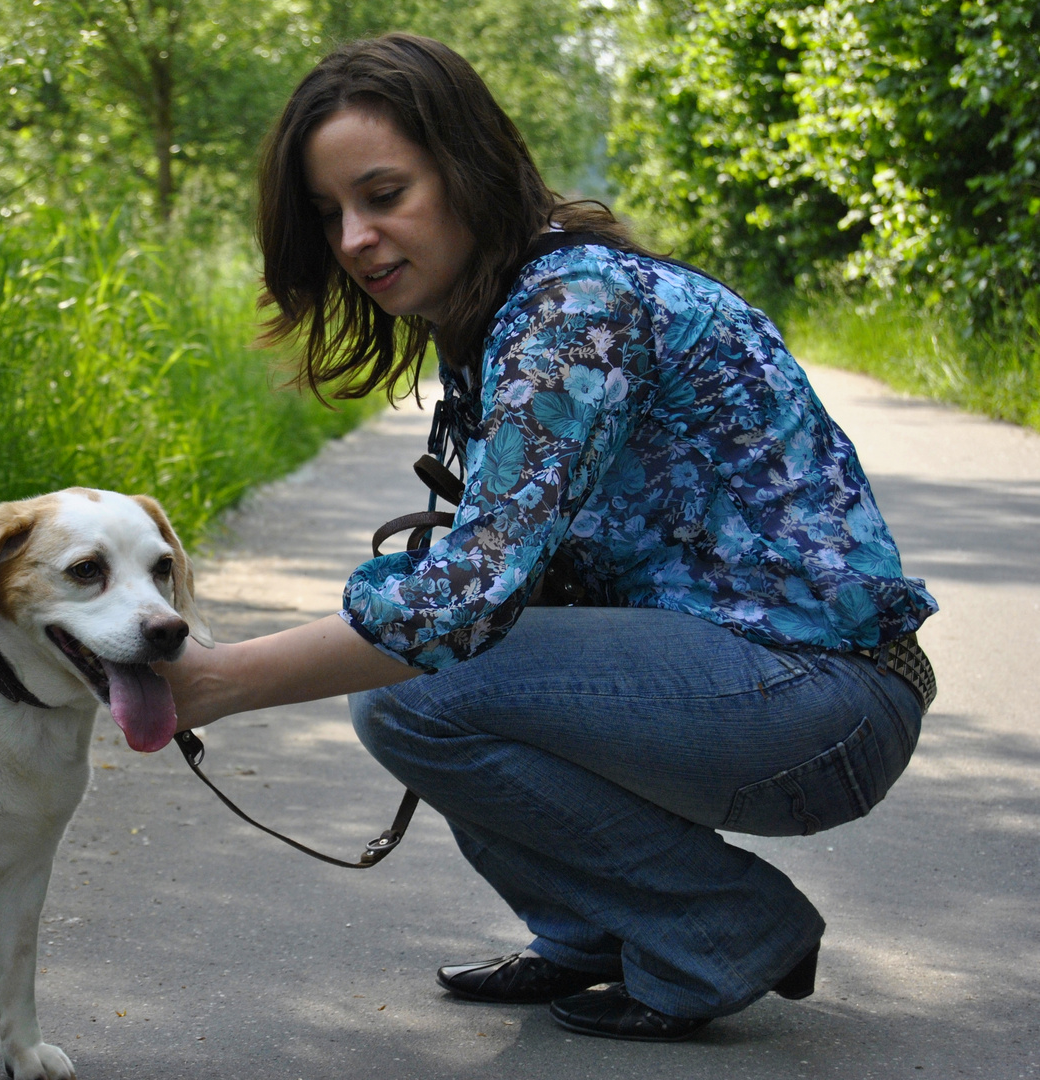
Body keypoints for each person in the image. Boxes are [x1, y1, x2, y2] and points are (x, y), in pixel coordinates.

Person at [158, 33, 938, 1042]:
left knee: (418, 690)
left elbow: (459, 609)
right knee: (422, 685)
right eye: (327, 213)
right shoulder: (514, 306)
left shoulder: (575, 309)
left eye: (382, 194)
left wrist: (211, 680)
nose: (351, 238)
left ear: (468, 171)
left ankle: (721, 928)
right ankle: (596, 929)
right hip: (772, 687)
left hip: (822, 698)